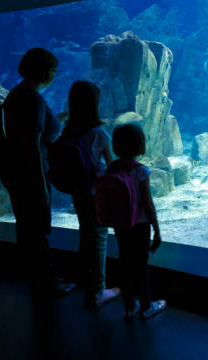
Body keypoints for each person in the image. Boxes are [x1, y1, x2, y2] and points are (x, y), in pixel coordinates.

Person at [2, 47, 75, 301]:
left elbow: (43, 130)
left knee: (29, 229)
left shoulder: (18, 94)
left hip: (18, 172)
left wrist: (65, 116)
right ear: (43, 70)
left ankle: (42, 279)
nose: (56, 74)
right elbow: (31, 143)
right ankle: (45, 285)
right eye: (54, 69)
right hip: (30, 174)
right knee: (36, 230)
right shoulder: (30, 99)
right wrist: (40, 185)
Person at [63, 80, 121, 309]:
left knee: (85, 233)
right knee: (98, 238)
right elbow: (112, 165)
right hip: (96, 193)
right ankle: (97, 291)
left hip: (77, 192)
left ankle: (85, 279)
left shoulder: (67, 130)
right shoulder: (99, 133)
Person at [108, 124, 166, 321]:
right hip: (140, 226)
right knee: (141, 266)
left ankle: (129, 307)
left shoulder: (112, 168)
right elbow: (148, 204)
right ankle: (146, 307)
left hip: (120, 225)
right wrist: (157, 231)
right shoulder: (141, 171)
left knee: (125, 264)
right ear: (141, 145)